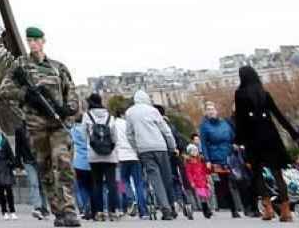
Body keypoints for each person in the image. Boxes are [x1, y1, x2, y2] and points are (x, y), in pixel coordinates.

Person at [1, 27, 81, 228]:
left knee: (64, 164)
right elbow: (4, 89)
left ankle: (70, 210)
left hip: (57, 125)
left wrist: (66, 109)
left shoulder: (58, 67)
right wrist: (26, 96)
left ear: (43, 41)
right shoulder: (20, 65)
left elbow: (71, 92)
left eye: (36, 40)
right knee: (45, 169)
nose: (33, 44)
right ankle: (58, 212)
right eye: (29, 40)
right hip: (36, 127)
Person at [235, 65, 299, 222]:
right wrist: (293, 133)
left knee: (257, 174)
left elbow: (240, 120)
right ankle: (286, 211)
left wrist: (238, 140)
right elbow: (278, 115)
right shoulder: (265, 94)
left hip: (252, 138)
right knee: (277, 173)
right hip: (271, 136)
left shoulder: (240, 95)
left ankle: (268, 209)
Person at [126, 90, 179, 220]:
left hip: (144, 149)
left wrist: (136, 148)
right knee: (167, 177)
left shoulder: (129, 113)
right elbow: (165, 130)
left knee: (155, 179)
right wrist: (172, 146)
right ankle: (172, 204)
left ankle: (165, 208)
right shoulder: (153, 111)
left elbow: (129, 134)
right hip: (160, 147)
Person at [201, 103, 244, 218]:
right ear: (205, 113)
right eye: (208, 109)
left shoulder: (225, 123)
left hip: (230, 156)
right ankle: (233, 209)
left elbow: (233, 136)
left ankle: (245, 206)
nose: (211, 111)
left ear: (216, 111)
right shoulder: (204, 127)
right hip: (216, 158)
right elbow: (204, 144)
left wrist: (236, 145)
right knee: (225, 184)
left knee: (238, 180)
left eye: (212, 109)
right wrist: (207, 160)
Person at [86, 93, 123, 221]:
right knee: (112, 183)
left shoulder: (87, 116)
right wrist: (112, 149)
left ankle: (99, 212)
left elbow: (84, 134)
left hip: (94, 154)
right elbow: (114, 136)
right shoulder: (109, 116)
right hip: (109, 154)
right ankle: (113, 211)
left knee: (97, 184)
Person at [0, 118, 21, 218]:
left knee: (9, 190)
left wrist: (13, 164)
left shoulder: (4, 138)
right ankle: (4, 211)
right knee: (0, 191)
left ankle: (12, 211)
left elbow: (10, 153)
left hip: (6, 166)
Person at [21, 120, 48, 218]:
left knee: (42, 184)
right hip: (28, 161)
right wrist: (18, 163)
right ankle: (37, 207)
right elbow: (19, 146)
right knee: (34, 183)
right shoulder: (20, 130)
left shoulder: (40, 128)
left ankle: (44, 208)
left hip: (40, 160)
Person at [73, 115, 95, 220]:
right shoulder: (88, 130)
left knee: (80, 186)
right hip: (92, 160)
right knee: (94, 186)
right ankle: (124, 203)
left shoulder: (72, 130)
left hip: (78, 162)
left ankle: (84, 207)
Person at [187, 145, 215, 218]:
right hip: (197, 182)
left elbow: (205, 171)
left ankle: (208, 209)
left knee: (207, 196)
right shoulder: (189, 162)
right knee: (202, 197)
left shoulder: (200, 161)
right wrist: (191, 181)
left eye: (195, 150)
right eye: (192, 151)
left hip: (203, 181)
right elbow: (189, 173)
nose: (194, 152)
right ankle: (206, 211)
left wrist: (207, 177)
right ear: (189, 152)